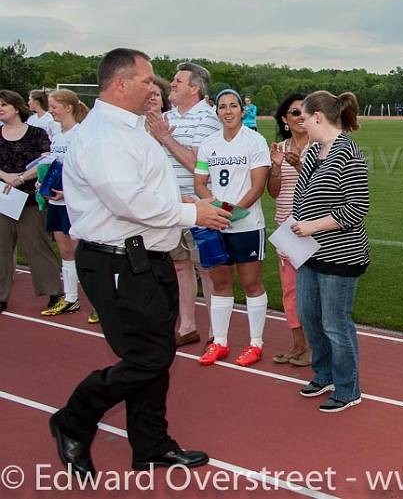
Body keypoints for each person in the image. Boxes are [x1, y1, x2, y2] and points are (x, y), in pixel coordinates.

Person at [51, 48, 230, 478]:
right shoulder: (103, 137)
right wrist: (193, 213)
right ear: (120, 84)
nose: (157, 87)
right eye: (149, 80)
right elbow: (128, 202)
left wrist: (182, 200)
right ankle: (73, 419)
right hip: (117, 261)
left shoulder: (128, 130)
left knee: (157, 354)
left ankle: (150, 445)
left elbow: (144, 189)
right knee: (147, 357)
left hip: (145, 258)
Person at [290, 91, 369, 413]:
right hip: (309, 252)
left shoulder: (348, 153)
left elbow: (357, 207)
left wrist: (313, 227)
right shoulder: (313, 153)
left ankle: (348, 388)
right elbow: (305, 195)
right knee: (309, 317)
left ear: (318, 117)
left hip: (341, 254)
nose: (301, 122)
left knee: (336, 323)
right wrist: (296, 231)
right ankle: (324, 375)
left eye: (304, 117)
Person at [194, 89, 271, 367]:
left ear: (242, 110)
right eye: (223, 107)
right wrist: (213, 207)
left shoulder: (255, 141)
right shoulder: (208, 143)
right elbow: (200, 181)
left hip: (247, 224)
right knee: (220, 283)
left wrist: (231, 212)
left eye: (233, 106)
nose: (228, 111)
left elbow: (258, 186)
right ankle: (221, 342)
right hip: (217, 224)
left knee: (251, 283)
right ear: (217, 112)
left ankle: (255, 343)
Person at [146, 62, 221, 347]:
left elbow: (198, 167)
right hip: (171, 205)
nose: (172, 85)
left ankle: (217, 330)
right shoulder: (166, 116)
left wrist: (165, 137)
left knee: (208, 269)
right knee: (179, 266)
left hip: (199, 205)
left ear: (195, 87)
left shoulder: (208, 120)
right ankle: (187, 325)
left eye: (178, 80)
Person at [0, 89, 63, 315]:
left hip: (30, 200)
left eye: (3, 105)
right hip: (3, 200)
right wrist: (5, 176)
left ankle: (54, 292)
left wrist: (21, 178)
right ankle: (1, 296)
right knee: (2, 249)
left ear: (16, 108)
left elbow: (46, 162)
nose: (0, 109)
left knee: (38, 247)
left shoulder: (37, 133)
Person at [39, 89, 99, 323]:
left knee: (83, 252)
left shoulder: (82, 134)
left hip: (76, 202)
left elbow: (89, 171)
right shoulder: (56, 133)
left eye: (54, 106)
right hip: (56, 200)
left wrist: (71, 191)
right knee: (65, 251)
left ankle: (99, 303)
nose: (51, 110)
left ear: (68, 107)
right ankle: (71, 298)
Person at [268, 94, 311, 366]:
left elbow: (325, 186)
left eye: (304, 112)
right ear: (285, 119)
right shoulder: (279, 148)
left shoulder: (320, 146)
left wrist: (299, 165)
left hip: (310, 227)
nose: (300, 117)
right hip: (285, 227)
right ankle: (298, 346)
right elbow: (274, 192)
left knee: (311, 291)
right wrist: (276, 167)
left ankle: (312, 348)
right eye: (294, 112)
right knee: (290, 290)